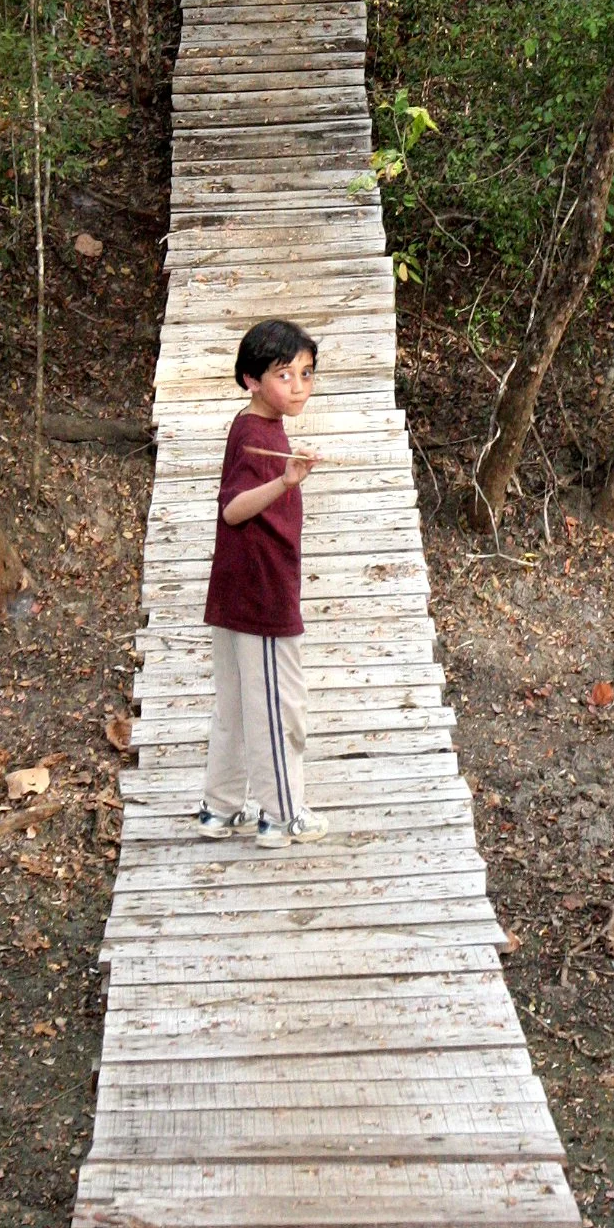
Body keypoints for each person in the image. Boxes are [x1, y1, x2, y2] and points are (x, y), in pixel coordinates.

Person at [196, 318, 329, 849]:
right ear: (251, 379)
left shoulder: (253, 425)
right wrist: (286, 480)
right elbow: (232, 510)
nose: (298, 386)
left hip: (235, 589)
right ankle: (283, 815)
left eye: (306, 374)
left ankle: (221, 807)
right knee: (280, 705)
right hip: (260, 590)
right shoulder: (256, 436)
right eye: (284, 375)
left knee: (234, 706)